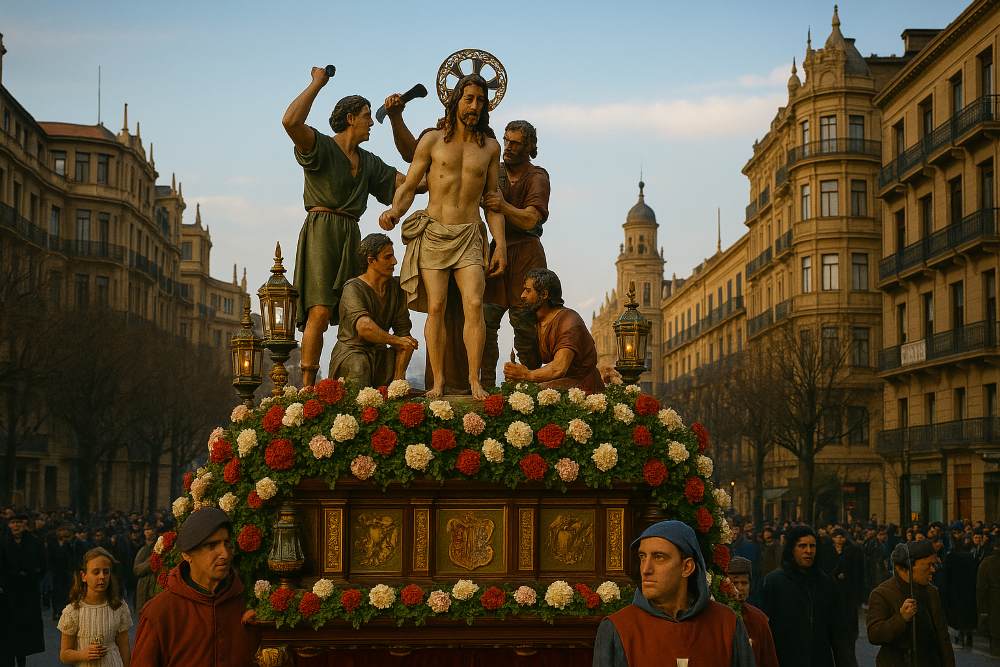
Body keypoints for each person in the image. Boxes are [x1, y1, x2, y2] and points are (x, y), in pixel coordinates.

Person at [380, 73, 507, 400]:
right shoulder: (433, 141)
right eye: (469, 99)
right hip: (435, 232)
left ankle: (474, 381)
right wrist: (395, 212)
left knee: (475, 304)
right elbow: (409, 186)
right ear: (455, 101)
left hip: (469, 234)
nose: (475, 106)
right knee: (436, 307)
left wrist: (500, 245)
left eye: (480, 100)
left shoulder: (491, 148)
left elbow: (492, 201)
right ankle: (436, 384)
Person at [283, 66, 407, 388]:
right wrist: (316, 83)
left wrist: (433, 154)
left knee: (353, 313)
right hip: (322, 231)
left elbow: (406, 184)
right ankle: (307, 387)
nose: (370, 123)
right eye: (367, 116)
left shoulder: (368, 162)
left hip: (351, 234)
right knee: (321, 311)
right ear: (351, 117)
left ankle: (351, 378)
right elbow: (290, 122)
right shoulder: (321, 146)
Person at [592, 519, 754, 666]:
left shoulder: (727, 625)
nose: (646, 569)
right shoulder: (618, 628)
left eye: (659, 557)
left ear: (686, 567)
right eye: (643, 557)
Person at [132, 507, 259, 665]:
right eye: (212, 546)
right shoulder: (159, 612)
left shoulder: (247, 605)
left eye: (227, 543)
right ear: (187, 554)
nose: (225, 554)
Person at [327, 233, 417, 386]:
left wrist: (398, 376)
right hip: (352, 352)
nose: (394, 262)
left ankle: (396, 390)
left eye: (393, 256)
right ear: (371, 260)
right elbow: (365, 327)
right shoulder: (353, 288)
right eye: (387, 257)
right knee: (359, 365)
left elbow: (403, 333)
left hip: (380, 354)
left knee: (406, 343)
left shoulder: (396, 288)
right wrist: (398, 341)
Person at [503, 268, 604, 392]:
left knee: (532, 394)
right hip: (557, 384)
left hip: (582, 388)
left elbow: (559, 368)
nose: (522, 295)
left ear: (544, 295)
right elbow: (531, 364)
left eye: (528, 291)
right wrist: (516, 372)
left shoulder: (569, 321)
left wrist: (526, 375)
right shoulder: (534, 321)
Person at [760, 524, 848, 667]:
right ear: (792, 549)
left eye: (812, 546)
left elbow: (838, 632)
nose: (808, 551)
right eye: (802, 546)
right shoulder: (774, 582)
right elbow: (766, 630)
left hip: (819, 660)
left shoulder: (826, 583)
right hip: (785, 660)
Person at [867, 540, 955, 666]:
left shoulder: (931, 592)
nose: (933, 570)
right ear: (905, 568)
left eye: (934, 565)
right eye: (928, 565)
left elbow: (943, 637)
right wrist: (901, 618)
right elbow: (874, 635)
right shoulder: (882, 594)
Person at [57, 547, 132, 666]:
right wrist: (82, 654)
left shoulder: (118, 606)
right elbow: (64, 655)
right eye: (96, 572)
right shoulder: (73, 611)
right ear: (84, 576)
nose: (102, 577)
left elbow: (124, 646)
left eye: (106, 572)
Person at [0, 512, 45, 666]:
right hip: (7, 594)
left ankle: (21, 660)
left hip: (28, 593)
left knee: (25, 632)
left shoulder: (34, 542)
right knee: (7, 631)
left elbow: (42, 564)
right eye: (13, 522)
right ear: (9, 525)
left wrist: (33, 575)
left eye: (19, 522)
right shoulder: (2, 542)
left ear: (24, 524)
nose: (16, 525)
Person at [728, 556, 779, 667]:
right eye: (735, 583)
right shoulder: (717, 618)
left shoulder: (759, 619)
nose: (740, 588)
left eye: (744, 583)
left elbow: (769, 660)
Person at [941, 537, 977, 649]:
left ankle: (959, 635)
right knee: (968, 614)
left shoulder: (950, 557)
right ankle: (969, 635)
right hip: (969, 590)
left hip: (955, 590)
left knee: (958, 615)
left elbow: (946, 576)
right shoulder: (971, 557)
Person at [977, 548, 1000, 657]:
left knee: (995, 629)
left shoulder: (987, 562)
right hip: (993, 597)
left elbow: (981, 587)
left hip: (993, 599)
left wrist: (981, 607)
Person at [133, 522, 159, 613]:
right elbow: (136, 570)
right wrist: (151, 562)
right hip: (144, 585)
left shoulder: (160, 546)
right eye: (146, 530)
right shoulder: (142, 549)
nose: (148, 532)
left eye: (150, 529)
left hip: (155, 584)